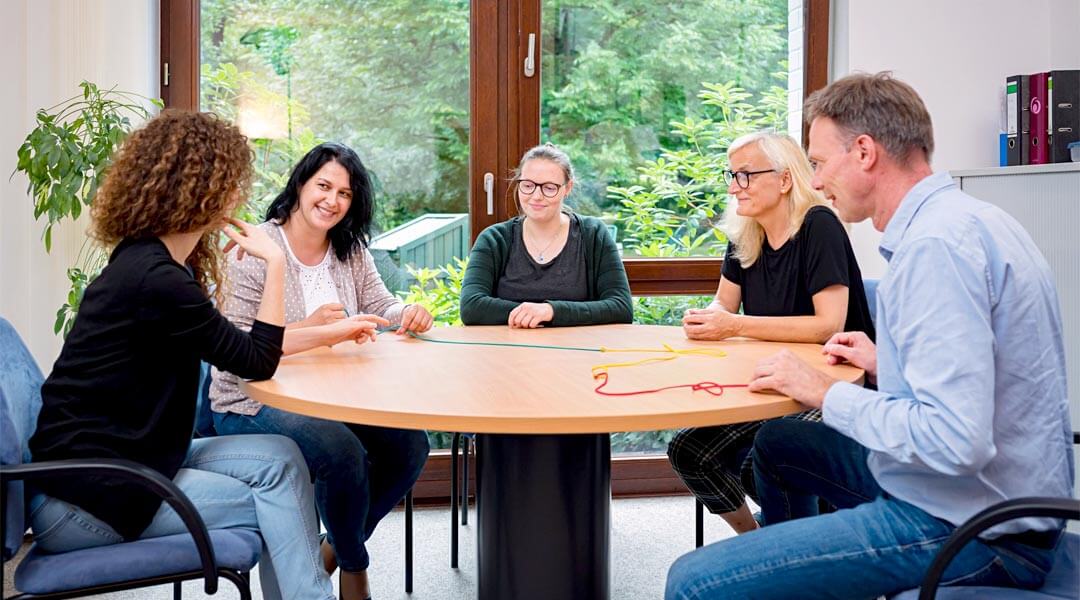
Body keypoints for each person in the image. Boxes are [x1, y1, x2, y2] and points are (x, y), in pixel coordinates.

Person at [666, 72, 1073, 599]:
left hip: (973, 527)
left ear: (863, 152)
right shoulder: (970, 219)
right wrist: (887, 362)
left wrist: (824, 392)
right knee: (781, 443)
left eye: (816, 162)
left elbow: (954, 441)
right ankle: (794, 574)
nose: (814, 180)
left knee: (693, 581)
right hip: (986, 497)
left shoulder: (935, 249)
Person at [27, 110, 338, 600]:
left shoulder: (150, 261)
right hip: (89, 499)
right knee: (278, 498)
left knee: (281, 459)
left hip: (120, 465)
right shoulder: (157, 280)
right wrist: (275, 261)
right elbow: (257, 361)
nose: (240, 194)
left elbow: (240, 351)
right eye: (231, 181)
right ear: (200, 188)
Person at [210, 142, 432, 600]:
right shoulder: (256, 249)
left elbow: (378, 306)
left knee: (409, 444)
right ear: (300, 184)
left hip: (336, 395)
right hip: (252, 398)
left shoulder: (349, 250)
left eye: (345, 194)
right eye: (324, 186)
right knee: (342, 452)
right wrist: (320, 332)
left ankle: (332, 548)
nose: (332, 201)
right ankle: (354, 568)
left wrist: (407, 311)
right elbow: (240, 349)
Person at [667, 131, 874, 534]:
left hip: (832, 383)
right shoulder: (746, 232)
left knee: (759, 460)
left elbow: (827, 325)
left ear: (783, 180)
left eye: (744, 176)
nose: (733, 187)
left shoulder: (819, 226)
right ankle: (755, 539)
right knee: (688, 450)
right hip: (771, 384)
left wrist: (735, 325)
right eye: (732, 175)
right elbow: (723, 304)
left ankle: (802, 547)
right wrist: (707, 317)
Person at [460, 143, 632, 327]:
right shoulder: (494, 239)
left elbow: (621, 307)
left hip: (578, 351)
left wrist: (551, 311)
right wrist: (530, 313)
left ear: (567, 188)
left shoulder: (593, 234)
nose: (536, 196)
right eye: (527, 185)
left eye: (549, 188)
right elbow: (471, 306)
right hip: (508, 351)